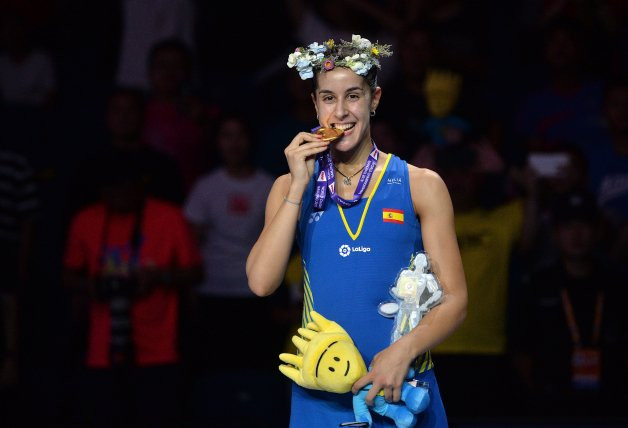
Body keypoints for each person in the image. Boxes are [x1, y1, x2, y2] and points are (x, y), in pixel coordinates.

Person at [247, 34, 467, 427]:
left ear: (375, 99)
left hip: (404, 390)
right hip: (320, 399)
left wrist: (403, 351)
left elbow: (455, 299)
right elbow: (262, 283)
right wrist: (298, 186)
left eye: (353, 96)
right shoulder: (288, 186)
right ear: (315, 104)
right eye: (329, 98)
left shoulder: (421, 185)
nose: (341, 111)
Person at [63, 152, 201, 427]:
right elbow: (67, 275)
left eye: (127, 187)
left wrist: (157, 277)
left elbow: (195, 272)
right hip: (102, 348)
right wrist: (92, 284)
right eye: (112, 188)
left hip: (159, 347)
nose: (120, 194)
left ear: (140, 187)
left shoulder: (168, 216)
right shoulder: (86, 220)